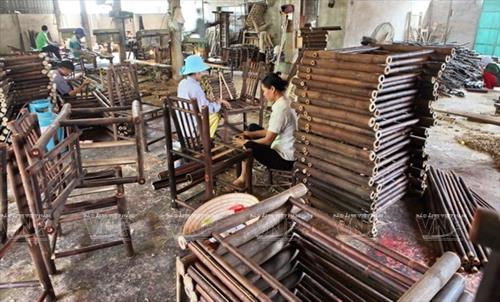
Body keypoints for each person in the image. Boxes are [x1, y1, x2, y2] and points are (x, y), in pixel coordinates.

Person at [232, 72, 297, 188]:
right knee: (252, 127)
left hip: (284, 159)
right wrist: (249, 133)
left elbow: (268, 140)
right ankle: (244, 172)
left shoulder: (281, 110)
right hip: (282, 147)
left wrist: (246, 142)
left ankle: (243, 177)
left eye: (264, 91)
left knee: (249, 146)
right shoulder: (284, 102)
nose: (263, 94)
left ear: (272, 89)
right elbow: (272, 130)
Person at [177, 55, 231, 137]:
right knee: (216, 115)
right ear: (196, 72)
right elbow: (207, 109)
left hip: (184, 125)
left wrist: (214, 100)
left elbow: (200, 101)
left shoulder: (182, 83)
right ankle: (206, 139)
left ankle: (204, 137)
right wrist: (218, 104)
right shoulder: (196, 88)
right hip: (194, 127)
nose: (202, 74)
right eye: (201, 72)